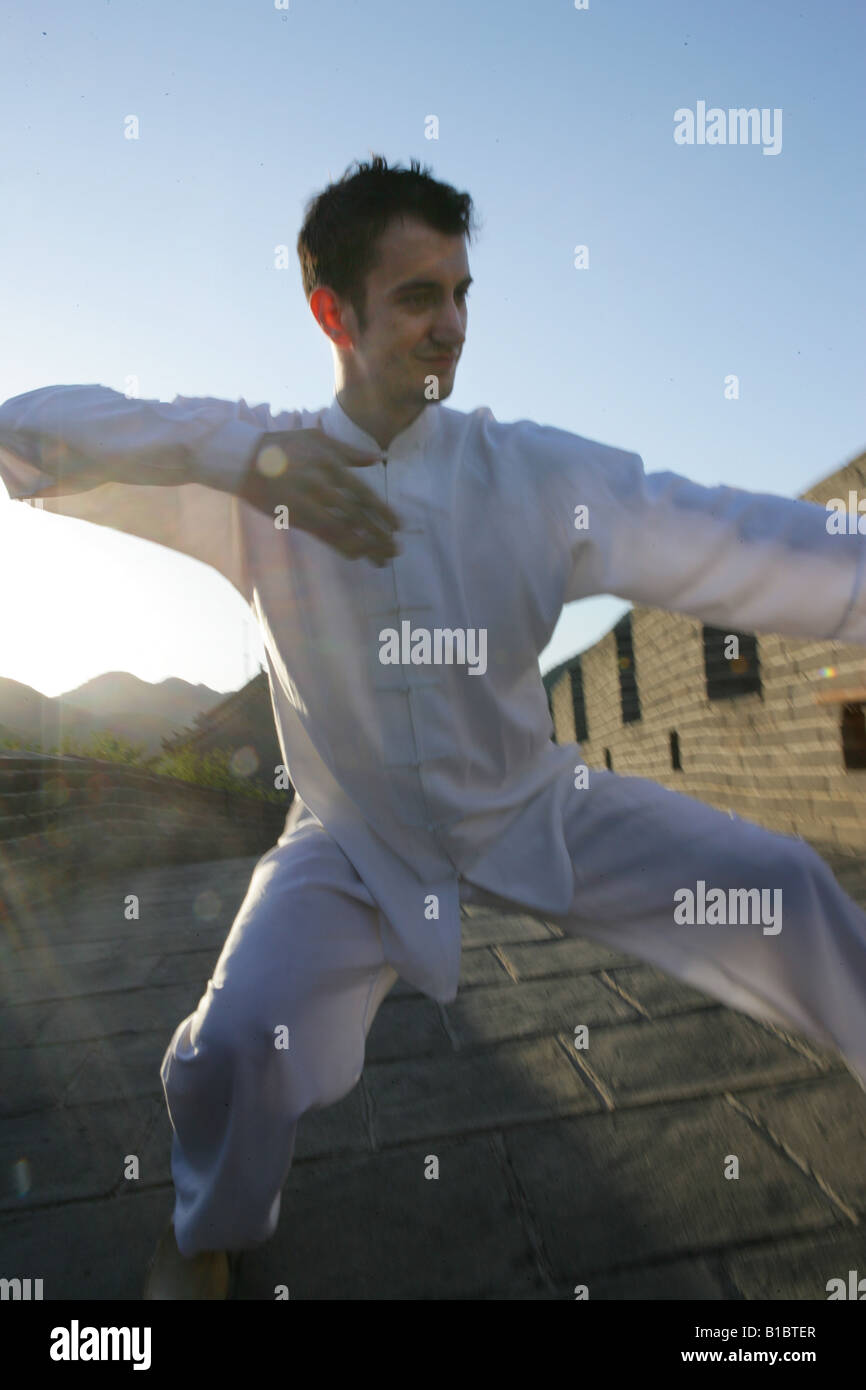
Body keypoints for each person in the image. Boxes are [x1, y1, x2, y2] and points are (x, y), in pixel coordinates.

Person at [1, 155, 864, 1301]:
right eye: (417, 297)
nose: (450, 326)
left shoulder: (528, 469)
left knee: (785, 884)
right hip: (349, 841)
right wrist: (242, 459)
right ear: (331, 312)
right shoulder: (247, 470)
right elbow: (23, 434)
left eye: (460, 293)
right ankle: (209, 1229)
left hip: (533, 803)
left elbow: (722, 529)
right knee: (228, 1045)